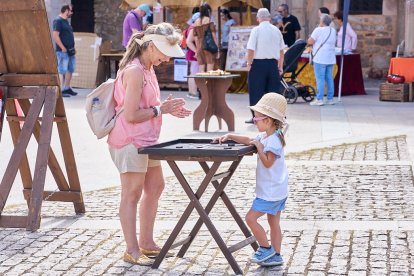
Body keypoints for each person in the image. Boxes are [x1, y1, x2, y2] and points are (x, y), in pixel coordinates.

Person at [108, 23, 192, 266]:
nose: (166, 59)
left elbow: (149, 109)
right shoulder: (134, 71)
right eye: (164, 53)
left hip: (147, 139)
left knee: (155, 187)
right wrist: (160, 110)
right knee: (131, 193)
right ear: (151, 46)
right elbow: (132, 115)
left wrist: (167, 110)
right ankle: (131, 250)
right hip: (129, 140)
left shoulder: (147, 69)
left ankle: (146, 242)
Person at [212, 92, 289, 267]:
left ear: (268, 121)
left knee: (251, 219)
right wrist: (230, 136)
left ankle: (265, 248)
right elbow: (249, 140)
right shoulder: (268, 135)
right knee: (274, 223)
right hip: (278, 190)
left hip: (270, 192)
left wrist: (259, 148)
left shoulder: (273, 141)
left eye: (256, 120)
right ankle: (276, 255)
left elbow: (268, 162)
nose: (254, 122)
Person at [245, 8, 285, 124]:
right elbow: (281, 51)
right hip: (273, 64)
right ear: (269, 18)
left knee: (256, 91)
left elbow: (251, 49)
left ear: (258, 19)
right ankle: (274, 117)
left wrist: (249, 63)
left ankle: (256, 117)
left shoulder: (256, 30)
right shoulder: (276, 30)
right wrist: (280, 66)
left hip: (258, 64)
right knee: (273, 92)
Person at [308, 13, 337, 106]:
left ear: (322, 21)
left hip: (320, 57)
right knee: (329, 78)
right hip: (330, 57)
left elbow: (310, 41)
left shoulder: (318, 30)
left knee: (320, 79)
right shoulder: (333, 30)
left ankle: (319, 99)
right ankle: (330, 99)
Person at [52, 4, 78, 97]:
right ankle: (60, 90)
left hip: (70, 50)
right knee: (62, 70)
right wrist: (62, 47)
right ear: (66, 10)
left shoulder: (66, 21)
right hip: (62, 51)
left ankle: (66, 88)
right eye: (70, 11)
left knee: (70, 69)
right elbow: (55, 35)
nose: (71, 13)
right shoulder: (58, 21)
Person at [189, 4, 219, 72]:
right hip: (208, 46)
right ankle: (208, 82)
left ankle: (201, 82)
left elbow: (196, 38)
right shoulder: (209, 20)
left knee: (201, 67)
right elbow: (214, 36)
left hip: (199, 46)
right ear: (208, 11)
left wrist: (197, 50)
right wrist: (217, 49)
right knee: (210, 67)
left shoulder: (196, 22)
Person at [184, 12, 201, 99]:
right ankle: (193, 93)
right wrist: (196, 51)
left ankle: (191, 92)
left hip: (192, 53)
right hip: (194, 53)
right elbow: (189, 41)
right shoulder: (193, 28)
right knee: (194, 73)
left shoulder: (191, 27)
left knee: (192, 73)